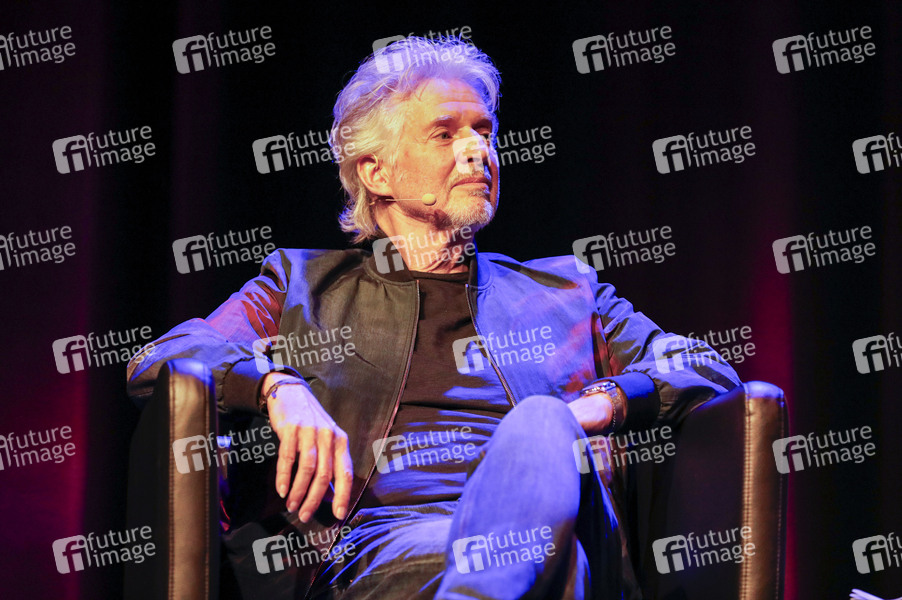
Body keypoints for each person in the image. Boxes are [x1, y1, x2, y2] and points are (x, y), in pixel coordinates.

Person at [127, 35, 741, 600]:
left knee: (540, 428)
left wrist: (589, 410)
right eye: (444, 135)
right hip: (385, 547)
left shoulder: (566, 292)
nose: (477, 150)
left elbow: (704, 367)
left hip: (566, 532)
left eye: (483, 131)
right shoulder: (302, 286)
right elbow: (160, 358)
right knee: (544, 569)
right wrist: (274, 385)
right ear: (377, 173)